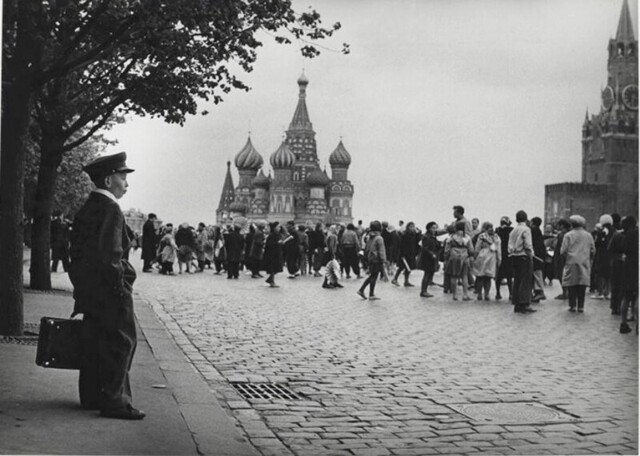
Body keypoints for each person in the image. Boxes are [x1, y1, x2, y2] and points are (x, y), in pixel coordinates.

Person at [68, 152, 145, 420]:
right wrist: (120, 288)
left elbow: (77, 255)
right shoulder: (111, 208)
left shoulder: (89, 206)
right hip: (109, 292)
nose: (126, 183)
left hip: (91, 290)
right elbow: (110, 255)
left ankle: (92, 396)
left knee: (94, 341)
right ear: (110, 179)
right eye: (123, 177)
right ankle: (115, 402)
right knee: (120, 342)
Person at [561, 215, 595, 313]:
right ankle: (581, 306)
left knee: (571, 284)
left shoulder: (568, 235)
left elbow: (563, 250)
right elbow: (593, 249)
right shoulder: (588, 235)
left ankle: (572, 305)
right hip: (584, 261)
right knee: (582, 284)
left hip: (571, 262)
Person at [508, 210, 536, 314]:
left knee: (517, 280)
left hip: (514, 256)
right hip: (524, 256)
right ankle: (525, 303)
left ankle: (517, 303)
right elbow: (528, 245)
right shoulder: (526, 229)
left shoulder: (514, 230)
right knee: (526, 280)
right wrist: (531, 255)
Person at [444, 221, 474, 301]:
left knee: (454, 276)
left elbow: (446, 249)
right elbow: (471, 249)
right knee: (464, 276)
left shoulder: (451, 237)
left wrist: (446, 258)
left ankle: (455, 295)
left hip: (453, 257)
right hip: (464, 256)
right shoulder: (467, 237)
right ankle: (465, 295)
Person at [357, 220, 386, 301]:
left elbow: (367, 248)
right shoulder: (379, 238)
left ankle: (362, 290)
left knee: (372, 275)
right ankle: (370, 293)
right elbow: (381, 250)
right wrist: (383, 260)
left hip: (370, 259)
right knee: (374, 276)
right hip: (376, 260)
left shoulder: (370, 237)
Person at [473, 222, 501, 301]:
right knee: (488, 277)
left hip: (482, 255)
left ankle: (479, 294)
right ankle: (486, 294)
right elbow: (498, 249)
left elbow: (477, 247)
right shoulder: (496, 237)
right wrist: (499, 259)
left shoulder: (482, 236)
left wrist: (475, 257)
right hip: (492, 256)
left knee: (480, 276)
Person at [619, 216, 638, 334]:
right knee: (637, 297)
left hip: (627, 267)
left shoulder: (624, 235)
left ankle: (623, 323)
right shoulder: (637, 233)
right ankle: (638, 325)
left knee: (626, 297)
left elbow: (623, 250)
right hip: (637, 266)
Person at [392, 221, 420, 287]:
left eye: (413, 226)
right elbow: (402, 245)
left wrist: (419, 233)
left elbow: (417, 242)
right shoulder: (405, 235)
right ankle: (395, 279)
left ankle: (406, 281)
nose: (412, 228)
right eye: (411, 227)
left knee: (408, 268)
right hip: (405, 254)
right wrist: (402, 254)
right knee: (401, 267)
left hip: (411, 254)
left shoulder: (414, 235)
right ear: (408, 227)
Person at [592, 214, 614, 299]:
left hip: (602, 255)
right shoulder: (613, 230)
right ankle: (607, 292)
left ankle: (600, 292)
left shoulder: (603, 230)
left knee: (600, 274)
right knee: (608, 274)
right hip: (610, 255)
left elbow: (597, 242)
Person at [418, 222, 441, 298]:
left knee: (430, 273)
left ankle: (425, 290)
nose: (434, 230)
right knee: (427, 274)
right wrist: (432, 254)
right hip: (428, 258)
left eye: (435, 228)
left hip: (432, 257)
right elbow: (425, 248)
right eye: (433, 228)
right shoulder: (426, 236)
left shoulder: (432, 236)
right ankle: (423, 291)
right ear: (429, 228)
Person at [495, 216, 513, 300]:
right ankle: (511, 294)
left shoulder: (497, 230)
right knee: (509, 276)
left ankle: (498, 293)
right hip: (508, 255)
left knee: (498, 276)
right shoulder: (511, 230)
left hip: (499, 253)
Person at [553, 219, 571, 300]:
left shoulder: (561, 235)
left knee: (561, 275)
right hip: (568, 257)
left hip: (560, 257)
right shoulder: (569, 234)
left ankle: (565, 292)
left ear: (562, 226)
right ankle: (567, 292)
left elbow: (558, 246)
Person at [530, 217, 547, 302]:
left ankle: (539, 291)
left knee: (536, 273)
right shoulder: (539, 231)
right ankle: (537, 292)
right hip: (540, 255)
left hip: (536, 255)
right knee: (537, 273)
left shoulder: (533, 230)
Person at [263, 221, 284, 287]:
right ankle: (271, 281)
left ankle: (270, 280)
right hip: (272, 254)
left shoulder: (278, 234)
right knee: (273, 268)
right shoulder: (271, 235)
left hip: (277, 253)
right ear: (274, 228)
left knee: (275, 268)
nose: (279, 228)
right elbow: (269, 244)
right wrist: (277, 243)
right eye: (278, 227)